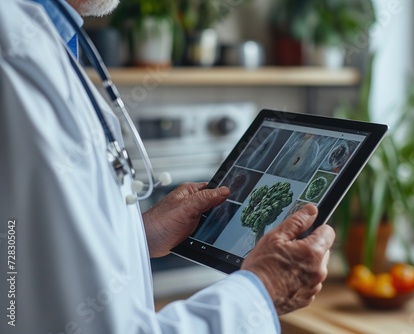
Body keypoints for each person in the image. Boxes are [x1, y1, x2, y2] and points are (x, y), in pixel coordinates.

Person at [0, 0, 335, 333]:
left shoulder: (47, 40)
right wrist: (263, 290)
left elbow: (33, 252)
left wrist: (141, 235)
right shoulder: (15, 59)